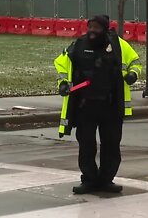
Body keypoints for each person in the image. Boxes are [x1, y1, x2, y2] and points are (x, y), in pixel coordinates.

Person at [54, 15, 142, 194]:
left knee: (111, 145)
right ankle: (89, 179)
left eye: (96, 27)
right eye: (90, 27)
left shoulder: (117, 45)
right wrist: (62, 83)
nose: (92, 31)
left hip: (110, 106)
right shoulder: (79, 44)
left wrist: (133, 74)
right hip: (85, 107)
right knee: (86, 145)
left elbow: (135, 61)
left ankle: (106, 180)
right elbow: (61, 63)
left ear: (105, 29)